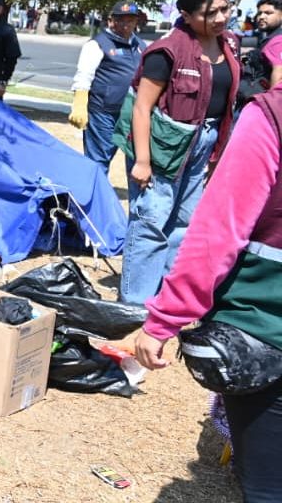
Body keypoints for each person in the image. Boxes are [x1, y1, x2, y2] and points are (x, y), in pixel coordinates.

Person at [134, 82, 282, 502]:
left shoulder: (271, 116)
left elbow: (218, 232)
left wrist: (164, 319)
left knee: (270, 486)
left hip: (265, 324)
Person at [117, 0, 239, 305]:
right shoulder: (166, 51)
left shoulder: (229, 44)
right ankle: (135, 303)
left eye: (224, 9)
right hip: (162, 149)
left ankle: (165, 297)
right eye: (209, 13)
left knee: (185, 222)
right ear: (186, 15)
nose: (220, 18)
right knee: (152, 220)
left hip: (204, 144)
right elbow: (142, 108)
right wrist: (142, 161)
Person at [68, 1, 148, 173]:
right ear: (111, 21)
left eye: (131, 20)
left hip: (130, 113)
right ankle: (93, 198)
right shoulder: (98, 44)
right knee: (98, 161)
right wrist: (80, 105)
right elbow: (84, 76)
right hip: (103, 113)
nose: (126, 24)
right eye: (121, 20)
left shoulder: (140, 46)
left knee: (135, 160)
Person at [245, 0, 282, 94]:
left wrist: (271, 102)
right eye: (259, 13)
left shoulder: (278, 41)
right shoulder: (270, 38)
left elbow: (279, 74)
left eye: (268, 13)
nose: (261, 17)